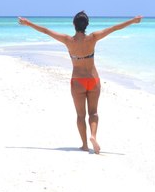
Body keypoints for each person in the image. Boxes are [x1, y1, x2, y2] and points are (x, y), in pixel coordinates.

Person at [18, 11, 142, 154]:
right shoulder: (93, 38)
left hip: (78, 81)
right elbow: (114, 28)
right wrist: (132, 21)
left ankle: (84, 144)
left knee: (80, 115)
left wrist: (27, 23)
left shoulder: (68, 40)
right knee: (94, 113)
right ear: (87, 25)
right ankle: (93, 136)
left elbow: (46, 31)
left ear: (73, 25)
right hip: (93, 79)